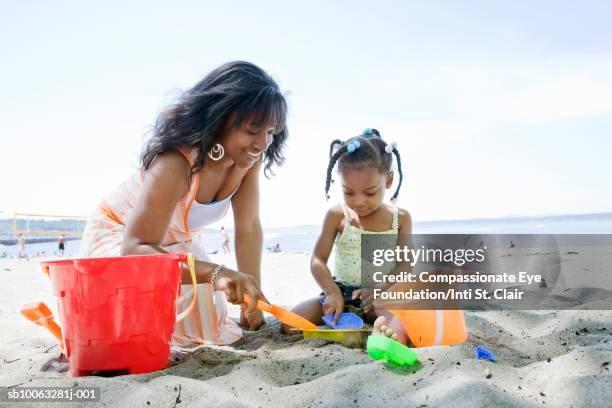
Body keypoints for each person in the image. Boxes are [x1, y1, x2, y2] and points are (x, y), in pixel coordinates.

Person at [79, 61, 288, 345]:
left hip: (174, 244)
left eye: (271, 132)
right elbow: (134, 249)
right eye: (253, 130)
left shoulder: (247, 162)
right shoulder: (177, 162)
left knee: (207, 305)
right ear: (220, 118)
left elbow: (249, 226)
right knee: (176, 301)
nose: (263, 143)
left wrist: (251, 295)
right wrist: (215, 273)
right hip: (120, 238)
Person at [282, 128, 412, 344]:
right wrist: (331, 291)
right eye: (348, 192)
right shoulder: (337, 215)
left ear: (388, 181)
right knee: (289, 324)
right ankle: (351, 328)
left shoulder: (400, 219)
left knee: (399, 334)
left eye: (369, 192)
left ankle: (374, 331)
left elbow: (405, 265)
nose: (359, 201)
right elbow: (318, 260)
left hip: (377, 297)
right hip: (339, 294)